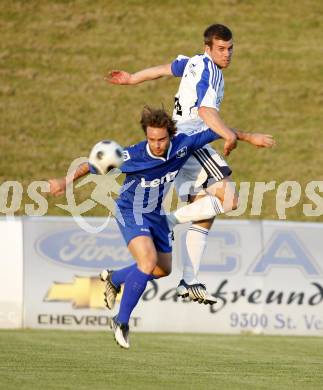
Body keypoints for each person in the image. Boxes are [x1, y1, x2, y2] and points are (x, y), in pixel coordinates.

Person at [104, 23, 275, 301]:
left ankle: (186, 280)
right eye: (220, 49)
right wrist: (231, 135)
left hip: (178, 143)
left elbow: (163, 70)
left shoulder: (192, 61)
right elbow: (206, 111)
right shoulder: (211, 71)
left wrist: (133, 78)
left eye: (230, 49)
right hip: (190, 141)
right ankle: (167, 222)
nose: (227, 54)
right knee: (229, 200)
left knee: (204, 211)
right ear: (208, 48)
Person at [49, 106, 236, 349]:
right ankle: (121, 321)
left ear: (170, 134)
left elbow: (217, 130)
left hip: (156, 214)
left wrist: (248, 137)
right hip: (131, 211)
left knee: (162, 270)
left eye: (161, 139)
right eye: (151, 139)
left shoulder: (183, 145)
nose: (157, 144)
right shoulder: (132, 155)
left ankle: (115, 278)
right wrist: (65, 181)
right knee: (147, 262)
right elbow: (92, 164)